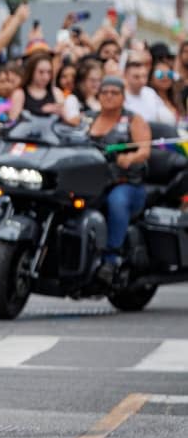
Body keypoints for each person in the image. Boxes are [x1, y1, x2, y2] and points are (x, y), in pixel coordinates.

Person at [89, 76, 151, 283]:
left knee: (117, 201)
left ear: (123, 97)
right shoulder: (87, 119)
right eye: (104, 92)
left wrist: (130, 157)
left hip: (126, 183)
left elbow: (145, 150)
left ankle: (111, 257)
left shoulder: (133, 120)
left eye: (114, 93)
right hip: (94, 182)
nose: (108, 96)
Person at [8, 51, 64, 120]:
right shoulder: (20, 94)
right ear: (31, 71)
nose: (45, 77)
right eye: (41, 72)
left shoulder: (56, 92)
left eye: (49, 72)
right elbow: (12, 121)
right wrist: (41, 111)